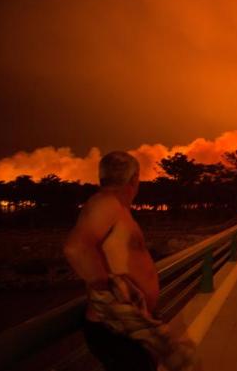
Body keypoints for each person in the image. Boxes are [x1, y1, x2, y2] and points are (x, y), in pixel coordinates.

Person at [63, 151, 196, 371]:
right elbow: (75, 248)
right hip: (116, 327)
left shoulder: (115, 207)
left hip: (129, 324)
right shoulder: (106, 204)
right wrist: (107, 290)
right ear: (135, 178)